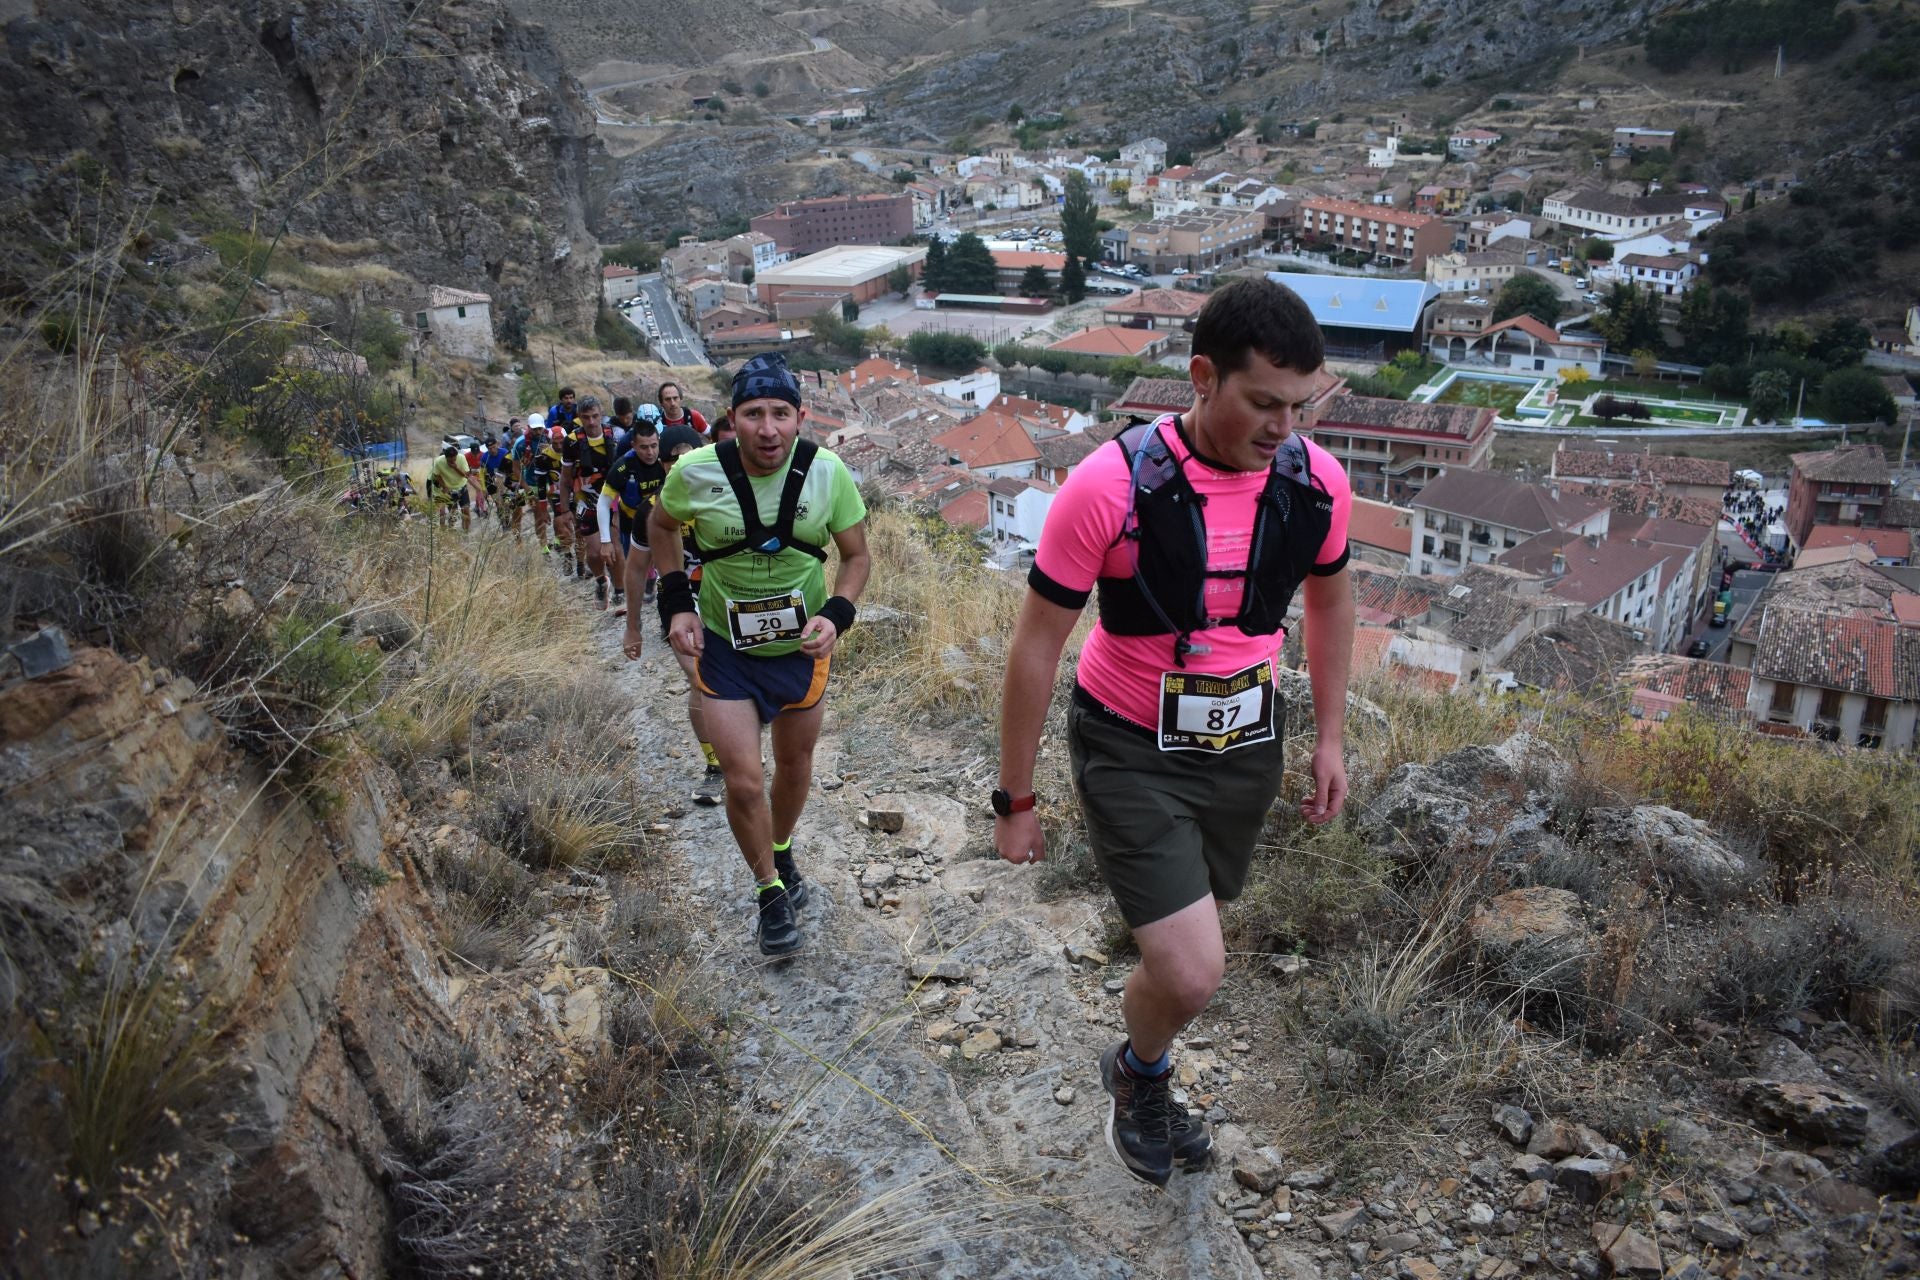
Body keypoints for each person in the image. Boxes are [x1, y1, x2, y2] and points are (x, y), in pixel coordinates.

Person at [992, 278, 1355, 1188]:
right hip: (1128, 743)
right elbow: (1037, 648)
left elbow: (1330, 599)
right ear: (1202, 378)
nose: (1283, 428)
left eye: (1298, 408)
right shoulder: (1108, 488)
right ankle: (1141, 1075)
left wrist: (1331, 736)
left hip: (1244, 745)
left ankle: (1139, 1058)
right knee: (1194, 972)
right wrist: (1016, 798)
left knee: (1196, 942)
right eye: (1263, 404)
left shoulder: (1316, 485)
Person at [636, 352, 870, 956]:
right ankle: (769, 893)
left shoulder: (829, 474)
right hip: (725, 645)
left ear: (800, 417)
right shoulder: (693, 472)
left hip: (799, 647)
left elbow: (857, 556)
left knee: (793, 767)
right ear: (732, 418)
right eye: (753, 414)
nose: (768, 429)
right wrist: (675, 603)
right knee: (743, 782)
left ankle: (783, 847)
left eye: (780, 414)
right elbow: (659, 528)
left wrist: (836, 615)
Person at [602, 421, 666, 621]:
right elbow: (603, 503)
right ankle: (634, 602)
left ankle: (665, 608)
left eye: (654, 446)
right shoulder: (622, 467)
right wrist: (605, 541)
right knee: (636, 565)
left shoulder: (667, 460)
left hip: (662, 522)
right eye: (644, 447)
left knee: (666, 565)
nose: (650, 452)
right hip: (631, 523)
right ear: (633, 446)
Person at [563, 396, 621, 606]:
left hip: (614, 499)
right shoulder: (571, 441)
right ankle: (600, 581)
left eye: (595, 416)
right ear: (579, 417)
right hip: (585, 501)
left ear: (601, 413)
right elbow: (565, 476)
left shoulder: (615, 434)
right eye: (586, 417)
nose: (591, 422)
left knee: (615, 547)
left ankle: (620, 590)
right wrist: (563, 509)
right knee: (595, 552)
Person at [427, 440, 474, 532]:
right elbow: (436, 475)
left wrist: (455, 467)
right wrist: (444, 486)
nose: (452, 461)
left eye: (454, 459)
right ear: (445, 457)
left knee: (466, 511)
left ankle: (466, 532)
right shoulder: (439, 461)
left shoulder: (461, 458)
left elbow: (466, 475)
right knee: (453, 513)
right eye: (450, 460)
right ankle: (451, 531)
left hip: (462, 488)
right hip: (449, 491)